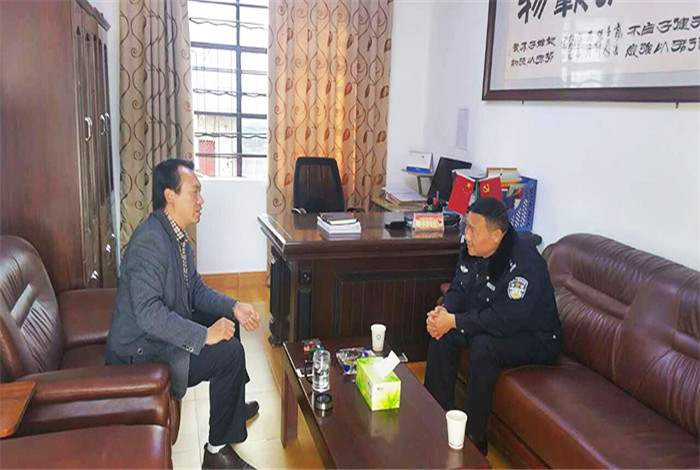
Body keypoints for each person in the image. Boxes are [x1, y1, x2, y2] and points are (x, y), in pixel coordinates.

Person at [105, 159, 261, 470]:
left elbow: (196, 291)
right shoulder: (150, 241)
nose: (201, 200)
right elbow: (148, 314)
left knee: (230, 321)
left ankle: (231, 404)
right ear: (170, 196)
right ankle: (217, 453)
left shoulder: (176, 236)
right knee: (228, 353)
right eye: (195, 192)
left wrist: (234, 305)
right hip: (142, 351)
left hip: (157, 335)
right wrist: (204, 335)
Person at [424, 197, 561, 456]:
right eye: (466, 227)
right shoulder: (473, 248)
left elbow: (504, 320)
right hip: (493, 319)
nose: (466, 236)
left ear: (496, 236)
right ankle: (434, 415)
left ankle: (474, 438)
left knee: (483, 345)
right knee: (444, 333)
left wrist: (455, 321)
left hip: (535, 337)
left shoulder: (524, 265)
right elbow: (459, 286)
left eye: (473, 230)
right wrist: (445, 312)